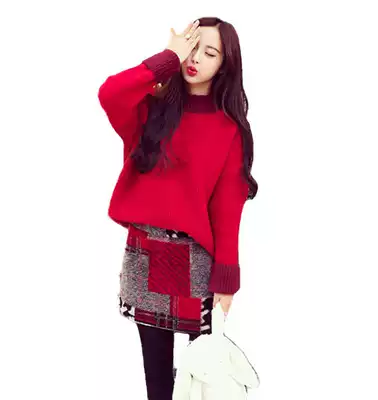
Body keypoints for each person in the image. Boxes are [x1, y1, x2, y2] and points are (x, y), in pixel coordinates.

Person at [98, 16, 258, 400]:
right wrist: (168, 58)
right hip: (147, 253)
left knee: (200, 377)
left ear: (226, 65)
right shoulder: (150, 109)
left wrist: (226, 280)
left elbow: (228, 207)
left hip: (197, 260)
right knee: (157, 382)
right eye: (192, 46)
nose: (196, 58)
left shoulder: (229, 129)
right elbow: (110, 93)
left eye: (210, 52)